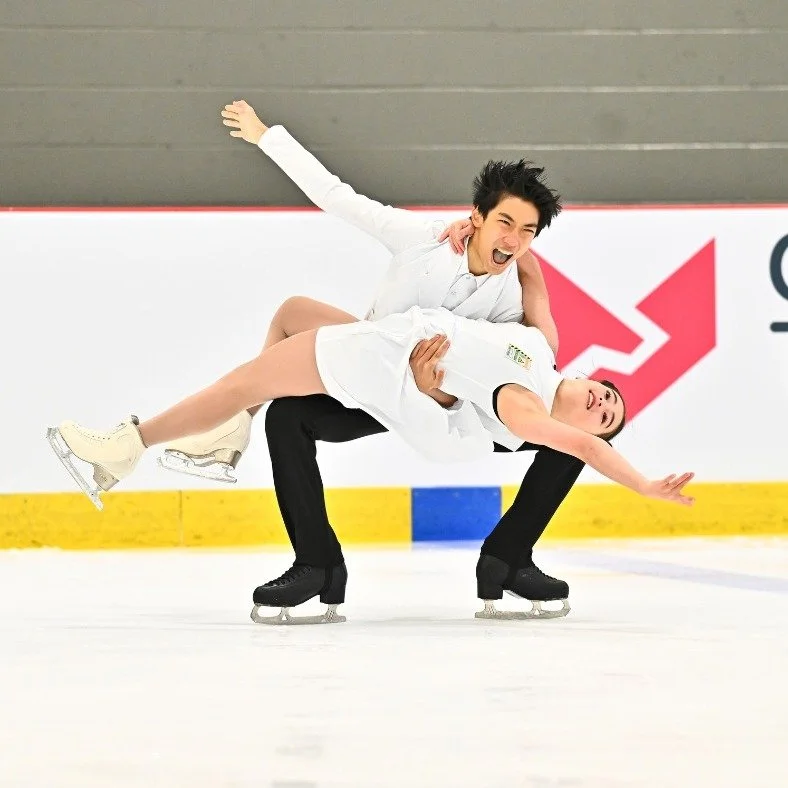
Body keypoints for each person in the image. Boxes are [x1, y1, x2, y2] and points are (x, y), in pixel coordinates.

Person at [152, 99, 580, 621]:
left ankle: (507, 560)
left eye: (527, 232)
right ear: (476, 217)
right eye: (505, 223)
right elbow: (338, 197)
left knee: (575, 431)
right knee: (290, 382)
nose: (512, 241)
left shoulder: (512, 300)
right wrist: (267, 135)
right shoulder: (421, 242)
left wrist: (438, 394)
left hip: (448, 411)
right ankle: (317, 564)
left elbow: (526, 364)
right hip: (376, 381)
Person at [46, 301, 695, 625]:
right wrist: (516, 235)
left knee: (246, 383)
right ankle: (316, 560)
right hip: (394, 348)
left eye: (607, 414)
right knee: (290, 335)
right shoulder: (540, 345)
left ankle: (129, 447)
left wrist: (641, 483)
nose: (603, 404)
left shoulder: (528, 408)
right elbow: (532, 280)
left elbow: (582, 445)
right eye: (607, 393)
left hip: (405, 382)